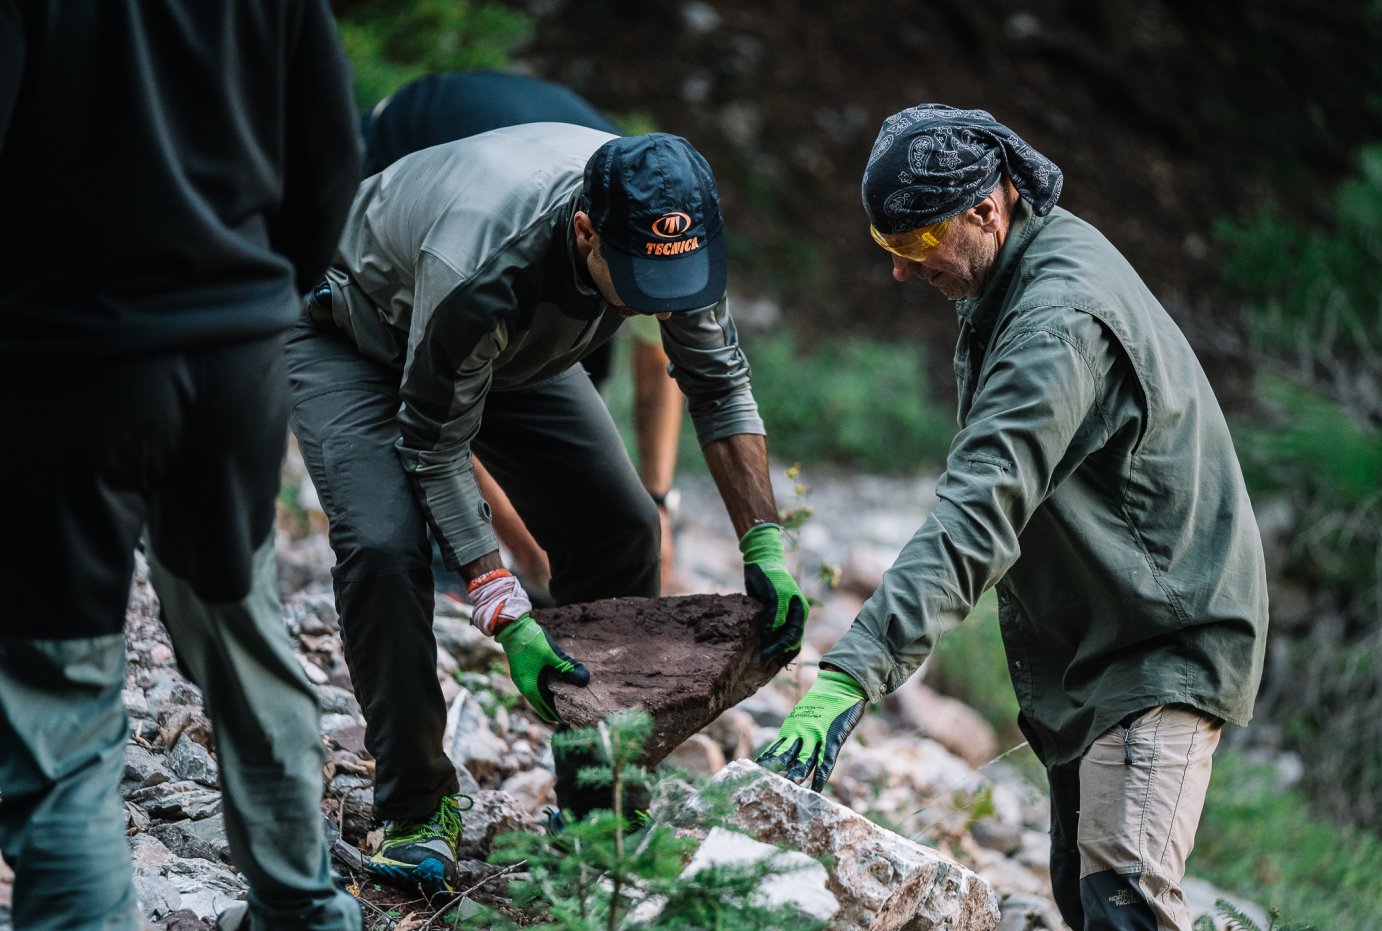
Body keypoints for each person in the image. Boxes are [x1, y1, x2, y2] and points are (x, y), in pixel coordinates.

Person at [755, 104, 1268, 931]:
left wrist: (851, 675)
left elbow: (980, 507)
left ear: (987, 208)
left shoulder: (1055, 320)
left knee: (1122, 902)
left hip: (1164, 633)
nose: (899, 270)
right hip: (1104, 630)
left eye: (916, 243)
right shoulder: (1005, 265)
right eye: (887, 246)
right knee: (1080, 894)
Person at [290, 123, 808, 892]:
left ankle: (598, 791)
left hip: (511, 349)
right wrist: (504, 608)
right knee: (383, 544)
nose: (656, 302)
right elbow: (434, 444)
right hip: (360, 331)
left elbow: (719, 385)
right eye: (635, 281)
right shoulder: (482, 264)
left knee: (622, 525)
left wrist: (765, 541)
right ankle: (414, 808)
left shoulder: (670, 230)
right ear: (585, 230)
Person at [0, 1, 364, 930]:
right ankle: (303, 908)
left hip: (72, 360)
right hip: (235, 360)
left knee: (63, 698)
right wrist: (259, 297)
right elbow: (330, 160)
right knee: (240, 626)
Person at [359, 70, 689, 597]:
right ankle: (448, 553)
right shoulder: (486, 252)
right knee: (441, 359)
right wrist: (527, 549)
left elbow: (660, 368)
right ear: (588, 234)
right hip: (409, 144)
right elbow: (436, 403)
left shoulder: (663, 224)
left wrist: (658, 501)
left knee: (578, 357)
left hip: (541, 151)